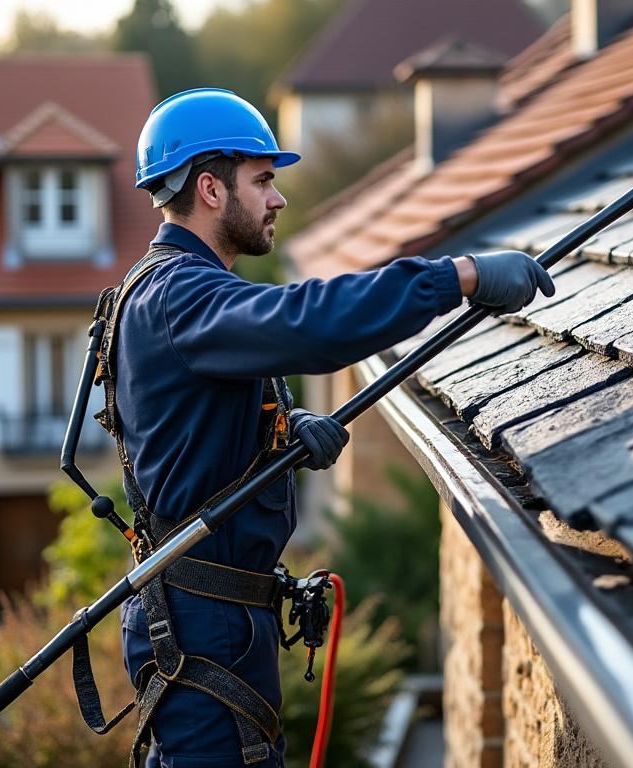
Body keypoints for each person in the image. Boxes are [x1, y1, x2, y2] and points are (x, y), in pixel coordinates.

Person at [113, 88, 554, 768]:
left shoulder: (171, 289)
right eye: (262, 181)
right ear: (209, 188)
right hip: (201, 621)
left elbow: (199, 412)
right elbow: (305, 323)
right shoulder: (180, 295)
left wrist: (284, 430)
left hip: (212, 615)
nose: (278, 199)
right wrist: (456, 277)